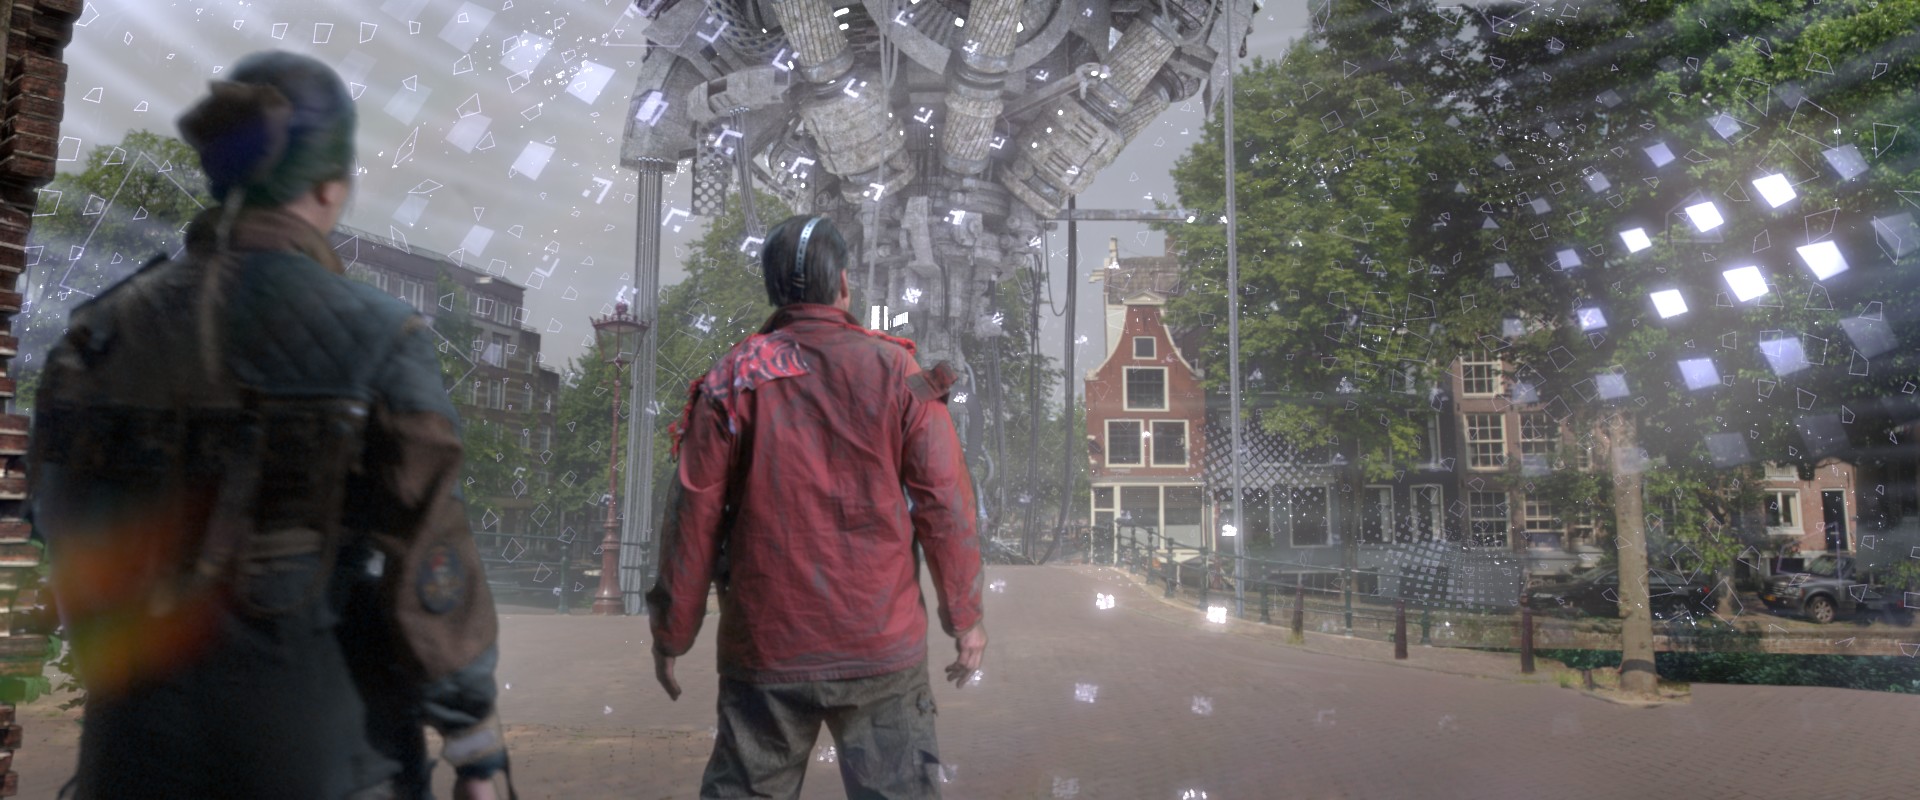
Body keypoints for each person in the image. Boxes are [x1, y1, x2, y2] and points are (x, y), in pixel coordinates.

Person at [27, 51, 511, 800]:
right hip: (321, 749)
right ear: (330, 184)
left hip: (131, 749)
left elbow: (57, 521)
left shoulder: (97, 334)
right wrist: (474, 746)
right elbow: (431, 561)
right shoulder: (380, 336)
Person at [649, 214, 988, 799]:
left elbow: (692, 519)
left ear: (773, 289)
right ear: (844, 285)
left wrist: (672, 633)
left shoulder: (731, 378)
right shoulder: (899, 372)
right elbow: (945, 505)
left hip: (766, 648)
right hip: (879, 643)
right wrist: (965, 618)